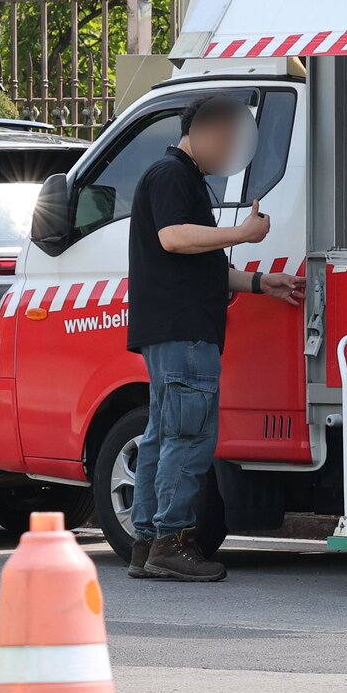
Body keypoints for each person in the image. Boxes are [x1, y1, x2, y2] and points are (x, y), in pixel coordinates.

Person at [126, 93, 304, 582]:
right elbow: (173, 238)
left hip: (172, 329)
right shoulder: (171, 176)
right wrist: (243, 234)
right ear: (200, 132)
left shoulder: (182, 180)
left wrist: (257, 282)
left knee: (164, 435)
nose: (230, 147)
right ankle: (173, 541)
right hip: (183, 330)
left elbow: (197, 260)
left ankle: (147, 543)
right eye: (225, 136)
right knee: (189, 437)